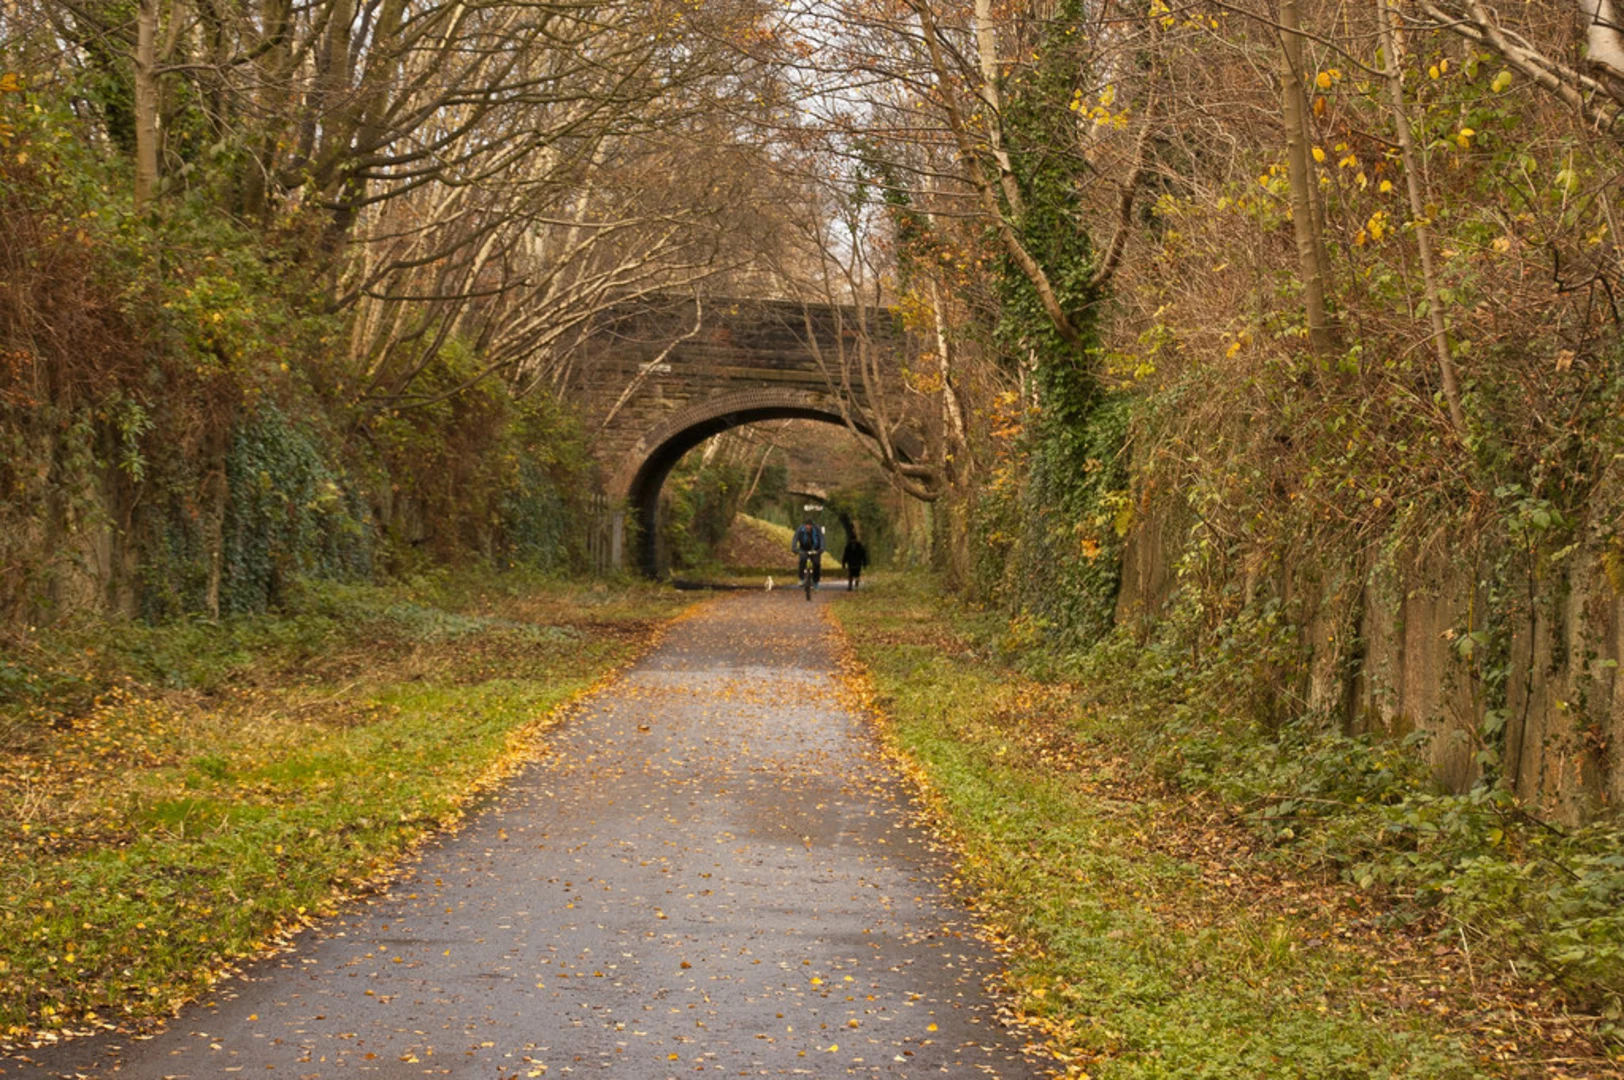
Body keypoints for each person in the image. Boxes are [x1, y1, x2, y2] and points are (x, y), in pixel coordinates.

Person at [791, 514, 824, 587]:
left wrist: (821, 549)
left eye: (809, 525)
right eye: (807, 525)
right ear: (804, 525)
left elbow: (821, 539)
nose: (808, 527)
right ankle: (801, 578)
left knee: (816, 563)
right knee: (802, 560)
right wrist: (794, 548)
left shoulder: (817, 529)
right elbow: (795, 539)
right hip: (804, 549)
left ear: (812, 525)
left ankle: (816, 581)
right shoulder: (800, 530)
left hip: (815, 549)